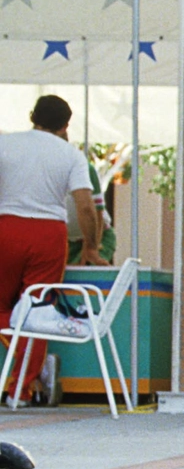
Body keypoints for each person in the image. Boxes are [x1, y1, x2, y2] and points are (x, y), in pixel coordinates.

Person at [1, 95, 105, 405]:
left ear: (32, 115)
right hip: (49, 233)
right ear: (65, 126)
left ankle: (18, 356)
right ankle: (20, 389)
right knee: (38, 310)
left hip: (5, 228)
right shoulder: (71, 155)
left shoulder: (6, 144)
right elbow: (86, 207)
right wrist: (90, 246)